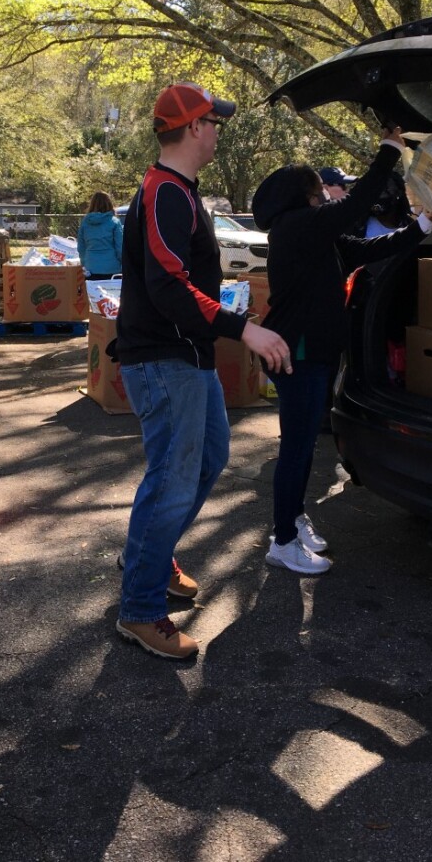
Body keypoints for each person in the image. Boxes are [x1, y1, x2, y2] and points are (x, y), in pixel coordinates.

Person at [114, 82, 292, 660]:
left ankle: (150, 555)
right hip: (167, 363)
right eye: (214, 121)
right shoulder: (165, 192)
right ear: (194, 128)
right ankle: (140, 609)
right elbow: (169, 285)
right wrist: (245, 328)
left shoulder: (178, 191)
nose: (218, 130)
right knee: (173, 478)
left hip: (187, 359)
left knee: (207, 460)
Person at [251, 128, 432, 575]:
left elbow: (369, 248)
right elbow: (354, 206)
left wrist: (422, 228)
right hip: (297, 352)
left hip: (314, 351)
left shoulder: (317, 235)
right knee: (296, 448)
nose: (324, 196)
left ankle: (293, 518)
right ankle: (283, 539)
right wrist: (389, 152)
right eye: (317, 190)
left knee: (305, 447)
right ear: (303, 195)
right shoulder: (295, 227)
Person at [77, 191, 123, 279]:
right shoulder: (114, 222)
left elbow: (81, 247)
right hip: (112, 269)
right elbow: (120, 248)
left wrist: (84, 263)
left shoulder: (85, 222)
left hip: (90, 267)